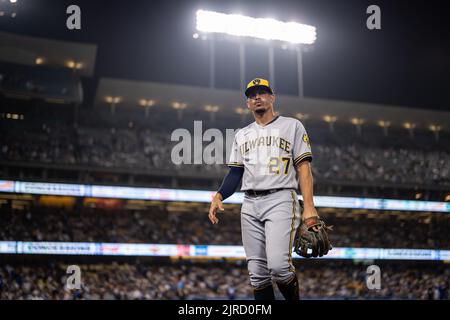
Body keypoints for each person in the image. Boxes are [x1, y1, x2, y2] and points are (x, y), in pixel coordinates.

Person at [208, 78, 319, 300]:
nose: (257, 97)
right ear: (248, 103)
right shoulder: (242, 134)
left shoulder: (292, 125)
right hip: (249, 203)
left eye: (262, 92)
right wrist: (219, 195)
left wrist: (309, 207)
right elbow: (235, 173)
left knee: (279, 266)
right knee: (257, 275)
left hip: (280, 198)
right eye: (251, 95)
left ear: (272, 97)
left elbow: (304, 168)